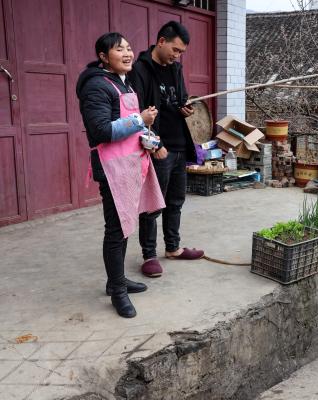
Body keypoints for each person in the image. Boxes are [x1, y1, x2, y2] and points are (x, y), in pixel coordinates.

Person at [76, 32, 164, 318]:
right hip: (112, 168)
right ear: (103, 57)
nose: (127, 53)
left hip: (131, 164)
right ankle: (117, 290)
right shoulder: (96, 87)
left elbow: (131, 129)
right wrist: (141, 119)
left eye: (128, 48)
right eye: (119, 49)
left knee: (126, 225)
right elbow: (101, 131)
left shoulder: (120, 82)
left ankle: (117, 279)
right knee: (116, 229)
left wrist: (150, 138)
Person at [129, 21, 204, 278]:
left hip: (179, 144)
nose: (177, 55)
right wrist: (155, 144)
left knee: (175, 202)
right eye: (175, 49)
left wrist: (186, 107)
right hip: (158, 147)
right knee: (152, 204)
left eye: (181, 52)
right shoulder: (139, 70)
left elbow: (179, 100)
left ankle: (172, 248)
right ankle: (149, 255)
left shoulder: (175, 69)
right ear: (161, 41)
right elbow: (135, 114)